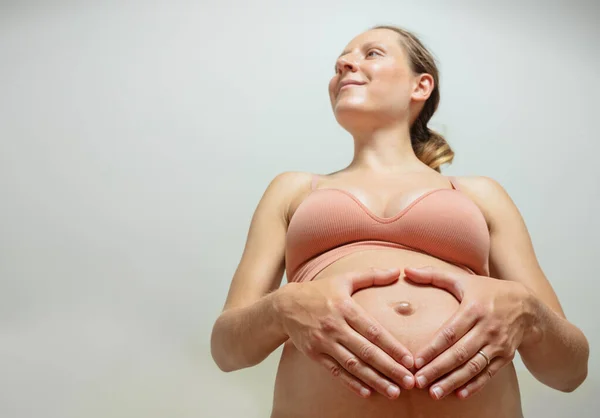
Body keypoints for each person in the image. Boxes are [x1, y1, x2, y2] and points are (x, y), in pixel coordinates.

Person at [210, 25, 589, 418]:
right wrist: (281, 308)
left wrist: (529, 312)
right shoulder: (292, 191)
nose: (344, 63)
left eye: (371, 53)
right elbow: (227, 351)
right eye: (340, 61)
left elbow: (570, 371)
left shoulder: (479, 194)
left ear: (420, 86)